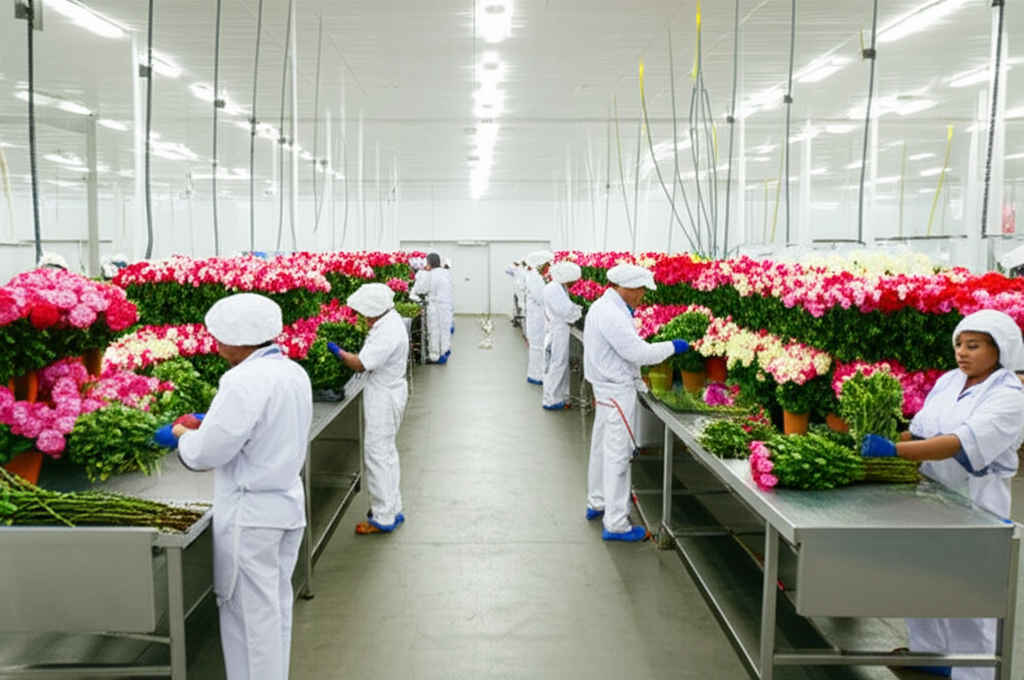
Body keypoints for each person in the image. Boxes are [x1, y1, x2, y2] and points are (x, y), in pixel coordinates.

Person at [862, 309, 1024, 680]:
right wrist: (877, 438)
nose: (962, 353)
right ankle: (930, 651)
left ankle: (974, 671)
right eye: (959, 345)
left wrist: (895, 451)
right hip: (931, 493)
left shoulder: (1009, 394)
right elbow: (921, 431)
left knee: (970, 588)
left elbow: (957, 443)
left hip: (977, 500)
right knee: (925, 574)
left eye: (974, 345)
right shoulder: (950, 381)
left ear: (1000, 350)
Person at [163, 292, 312, 680]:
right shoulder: (292, 372)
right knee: (273, 613)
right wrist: (212, 420)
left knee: (249, 621)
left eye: (220, 336)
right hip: (285, 509)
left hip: (251, 518)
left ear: (240, 339)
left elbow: (207, 453)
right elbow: (259, 429)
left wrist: (181, 436)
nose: (215, 344)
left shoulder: (242, 380)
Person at [584, 263, 690, 541]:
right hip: (616, 392)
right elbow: (637, 352)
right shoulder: (612, 314)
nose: (643, 295)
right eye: (641, 290)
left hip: (605, 389)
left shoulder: (603, 307)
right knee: (619, 455)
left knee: (601, 448)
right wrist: (672, 346)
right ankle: (617, 523)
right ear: (627, 288)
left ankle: (597, 502)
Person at [328, 282, 409, 534]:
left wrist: (338, 352)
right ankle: (393, 508)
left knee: (377, 455)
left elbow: (360, 364)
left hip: (384, 397)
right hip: (390, 391)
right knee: (386, 453)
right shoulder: (391, 320)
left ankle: (383, 516)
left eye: (364, 313)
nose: (362, 318)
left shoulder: (387, 333)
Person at [542, 260, 583, 410]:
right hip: (558, 329)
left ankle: (559, 396)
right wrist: (579, 311)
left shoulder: (557, 287)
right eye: (573, 280)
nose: (573, 284)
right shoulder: (554, 289)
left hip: (559, 329)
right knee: (557, 364)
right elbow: (565, 310)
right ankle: (552, 398)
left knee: (559, 363)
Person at [411, 252, 454, 363]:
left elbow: (421, 290)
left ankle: (435, 356)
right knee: (445, 329)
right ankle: (445, 351)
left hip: (435, 306)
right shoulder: (446, 274)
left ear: (429, 263)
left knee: (434, 330)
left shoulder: (429, 275)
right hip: (446, 306)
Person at [524, 250, 552, 385]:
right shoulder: (536, 278)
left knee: (538, 347)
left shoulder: (535, 276)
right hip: (537, 318)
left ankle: (536, 373)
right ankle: (537, 375)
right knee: (537, 347)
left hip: (537, 317)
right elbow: (542, 298)